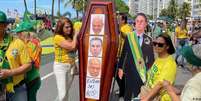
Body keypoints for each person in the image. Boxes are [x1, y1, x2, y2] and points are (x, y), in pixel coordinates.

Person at [118, 13, 155, 100]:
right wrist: (120, 68)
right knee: (128, 93)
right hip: (129, 70)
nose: (139, 23)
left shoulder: (149, 40)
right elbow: (124, 53)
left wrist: (150, 72)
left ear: (146, 24)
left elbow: (151, 59)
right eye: (137, 21)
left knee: (139, 94)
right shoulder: (129, 37)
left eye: (141, 21)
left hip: (142, 72)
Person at [0, 21, 34, 101]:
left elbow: (28, 66)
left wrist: (10, 73)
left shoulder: (17, 42)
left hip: (17, 88)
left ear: (5, 26)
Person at [140, 34, 177, 101]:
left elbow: (160, 85)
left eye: (160, 45)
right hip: (149, 92)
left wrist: (145, 99)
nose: (156, 46)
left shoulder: (170, 63)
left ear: (167, 46)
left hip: (158, 97)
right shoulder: (159, 58)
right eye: (155, 43)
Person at [54, 17, 78, 101]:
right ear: (61, 27)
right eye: (66, 27)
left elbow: (72, 54)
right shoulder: (58, 37)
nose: (69, 29)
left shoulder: (69, 38)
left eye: (70, 26)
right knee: (62, 93)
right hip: (61, 67)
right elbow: (72, 47)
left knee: (66, 93)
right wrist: (75, 35)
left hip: (70, 67)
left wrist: (75, 66)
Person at [116, 13, 133, 98]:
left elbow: (128, 37)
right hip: (117, 55)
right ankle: (122, 89)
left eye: (119, 19)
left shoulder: (127, 27)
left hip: (125, 55)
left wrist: (120, 32)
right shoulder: (119, 27)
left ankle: (124, 91)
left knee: (122, 74)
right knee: (116, 74)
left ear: (123, 20)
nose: (117, 20)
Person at [0, 10, 13, 100]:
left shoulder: (12, 40)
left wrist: (10, 72)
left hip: (7, 82)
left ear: (5, 26)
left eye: (1, 24)